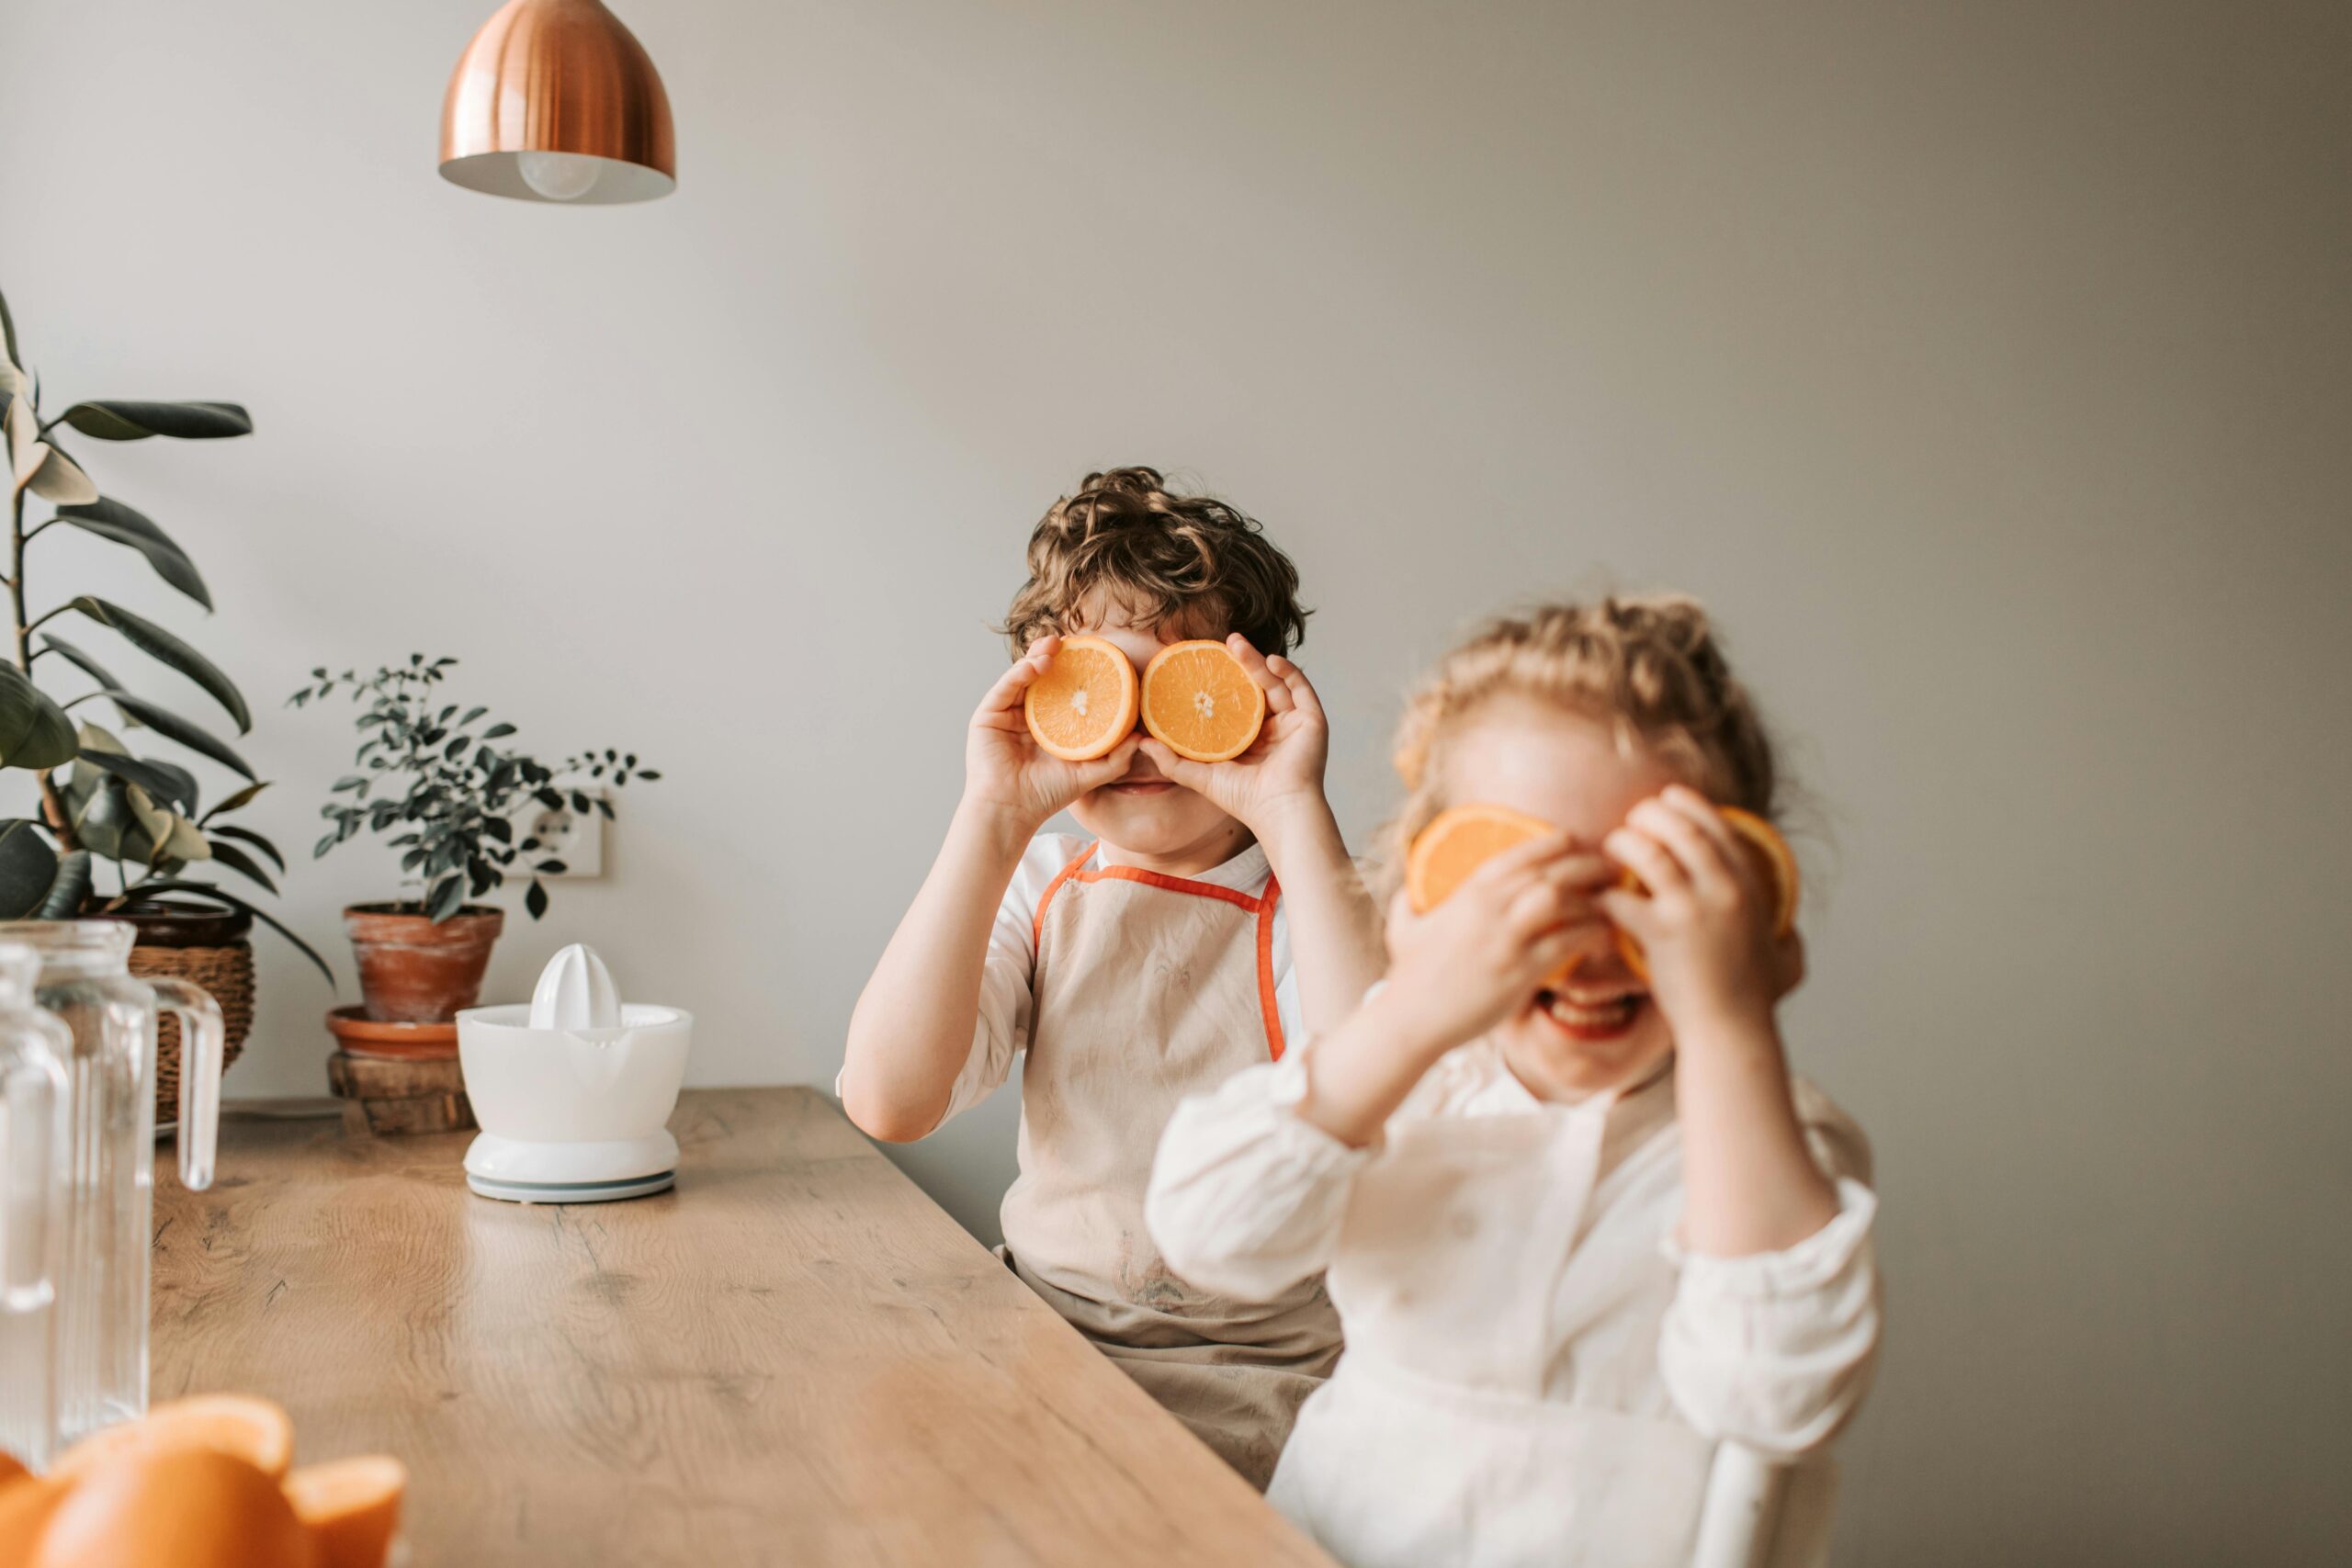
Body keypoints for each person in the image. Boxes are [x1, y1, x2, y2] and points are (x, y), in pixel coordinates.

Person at [1147, 597, 1881, 1564]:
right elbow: (1209, 1239)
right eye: (1521, 886)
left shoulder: (1770, 1143)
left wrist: (1727, 1023)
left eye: (1653, 887)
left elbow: (1776, 1397)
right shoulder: (1410, 1078)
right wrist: (1411, 1009)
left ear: (1751, 914)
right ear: (1430, 898)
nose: (1583, 947)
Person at [842, 468, 1385, 1488]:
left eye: (1182, 691)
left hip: (1270, 1377)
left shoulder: (1318, 904)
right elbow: (889, 1100)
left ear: (1255, 696)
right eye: (1099, 685)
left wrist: (1292, 812)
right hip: (1040, 1345)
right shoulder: (1044, 881)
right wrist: (993, 817)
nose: (1136, 735)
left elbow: (1381, 1102)